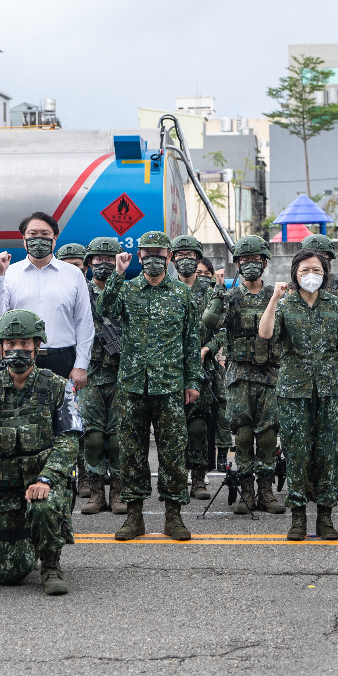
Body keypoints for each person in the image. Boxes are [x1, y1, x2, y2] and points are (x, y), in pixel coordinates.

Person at [0, 310, 81, 594]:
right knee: (8, 574)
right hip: (5, 487)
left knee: (44, 506)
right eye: (11, 344)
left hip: (42, 482)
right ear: (0, 348)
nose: (17, 350)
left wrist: (47, 480)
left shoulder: (58, 386)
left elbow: (69, 440)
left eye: (25, 344)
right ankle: (26, 543)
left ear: (37, 347)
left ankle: (51, 563)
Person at [99, 231, 200, 541]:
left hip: (170, 385)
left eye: (160, 253)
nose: (154, 258)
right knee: (131, 453)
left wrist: (193, 380)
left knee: (172, 453)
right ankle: (134, 517)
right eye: (148, 253)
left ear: (169, 257)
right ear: (139, 256)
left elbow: (191, 340)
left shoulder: (181, 294)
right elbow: (105, 308)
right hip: (132, 385)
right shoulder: (127, 289)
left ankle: (174, 517)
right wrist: (117, 272)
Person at [259, 248, 338, 540]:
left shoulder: (335, 304)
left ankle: (325, 517)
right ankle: (298, 517)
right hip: (294, 391)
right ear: (294, 274)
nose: (310, 275)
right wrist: (275, 298)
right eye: (304, 271)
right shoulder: (286, 304)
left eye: (316, 270)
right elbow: (265, 334)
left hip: (330, 389)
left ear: (324, 274)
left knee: (328, 454)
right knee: (297, 453)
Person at [202, 235, 283, 515]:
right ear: (237, 264)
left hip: (270, 374)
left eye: (256, 260)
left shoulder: (275, 294)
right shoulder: (231, 296)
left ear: (264, 263)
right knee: (244, 435)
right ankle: (246, 493)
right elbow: (209, 323)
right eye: (245, 260)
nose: (250, 265)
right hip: (239, 376)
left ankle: (266, 491)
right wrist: (218, 291)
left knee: (269, 435)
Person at [0, 212, 94, 388]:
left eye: (45, 234)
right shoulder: (9, 273)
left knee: (63, 414)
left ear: (55, 239)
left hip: (62, 360)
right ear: (24, 240)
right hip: (19, 359)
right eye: (33, 235)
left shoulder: (72, 274)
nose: (39, 239)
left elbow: (84, 322)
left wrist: (81, 365)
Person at [171, 234, 227, 501]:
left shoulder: (209, 290)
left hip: (202, 370)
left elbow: (223, 331)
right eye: (180, 256)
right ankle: (176, 478)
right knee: (172, 426)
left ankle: (199, 479)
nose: (185, 260)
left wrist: (208, 349)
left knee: (199, 426)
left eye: (190, 256)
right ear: (172, 259)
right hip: (171, 369)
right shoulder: (166, 288)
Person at [79, 237, 126, 515]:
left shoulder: (126, 290)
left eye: (110, 260)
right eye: (98, 260)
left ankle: (118, 493)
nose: (104, 265)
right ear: (89, 263)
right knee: (93, 438)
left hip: (120, 375)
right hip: (91, 374)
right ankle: (96, 494)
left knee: (118, 439)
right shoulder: (80, 292)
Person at [299, 233, 338, 310]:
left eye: (321, 254)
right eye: (309, 256)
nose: (315, 259)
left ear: (330, 257)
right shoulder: (293, 287)